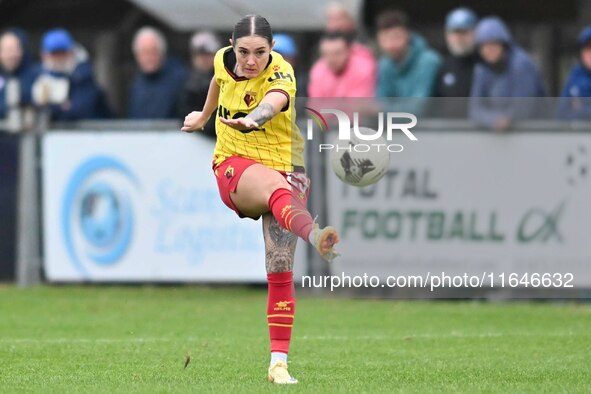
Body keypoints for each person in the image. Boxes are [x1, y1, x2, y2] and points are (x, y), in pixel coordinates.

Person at [181, 15, 339, 385]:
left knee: (280, 264)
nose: (251, 60)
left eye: (260, 52)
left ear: (272, 50)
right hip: (235, 165)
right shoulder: (222, 60)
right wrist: (205, 116)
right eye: (244, 52)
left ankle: (278, 365)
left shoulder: (282, 74)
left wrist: (255, 117)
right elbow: (218, 81)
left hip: (288, 171)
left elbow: (274, 102)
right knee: (270, 187)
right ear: (232, 47)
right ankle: (313, 233)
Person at [469, 17, 546, 131]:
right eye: (484, 45)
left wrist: (505, 118)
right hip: (500, 134)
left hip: (534, 130)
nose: (489, 49)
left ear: (504, 45)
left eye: (493, 44)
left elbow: (523, 108)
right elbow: (475, 110)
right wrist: (493, 119)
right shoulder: (482, 69)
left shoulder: (521, 64)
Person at [36, 28, 111, 120]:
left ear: (72, 53)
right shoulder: (38, 77)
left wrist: (53, 106)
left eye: (63, 53)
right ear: (44, 55)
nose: (59, 58)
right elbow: (38, 111)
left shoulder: (84, 77)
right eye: (54, 54)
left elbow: (79, 111)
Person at [375, 10, 441, 115]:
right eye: (385, 39)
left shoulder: (428, 61)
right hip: (396, 126)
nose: (391, 45)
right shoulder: (384, 64)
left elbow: (419, 108)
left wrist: (383, 110)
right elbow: (379, 100)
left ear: (408, 35)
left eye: (396, 37)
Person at [128, 26, 187, 119]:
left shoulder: (180, 80)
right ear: (137, 55)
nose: (149, 57)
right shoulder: (136, 83)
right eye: (144, 52)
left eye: (153, 51)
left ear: (162, 52)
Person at [435, 7, 479, 117]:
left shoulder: (484, 64)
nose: (459, 38)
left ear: (475, 33)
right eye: (455, 32)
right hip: (448, 130)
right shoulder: (443, 65)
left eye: (464, 32)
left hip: (480, 130)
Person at [308, 31, 376, 98]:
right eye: (326, 54)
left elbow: (358, 105)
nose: (331, 59)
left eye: (337, 53)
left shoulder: (363, 68)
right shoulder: (318, 70)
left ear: (349, 51)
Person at [179, 31, 220, 138]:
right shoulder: (186, 83)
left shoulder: (225, 79)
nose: (204, 59)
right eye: (200, 55)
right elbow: (183, 116)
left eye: (208, 55)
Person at [0, 28, 40, 119]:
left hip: (25, 129)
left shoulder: (35, 75)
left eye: (15, 49)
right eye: (8, 50)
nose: (12, 55)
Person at [558, 26, 591, 120]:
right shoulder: (575, 75)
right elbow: (562, 113)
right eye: (587, 48)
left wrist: (581, 110)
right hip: (576, 133)